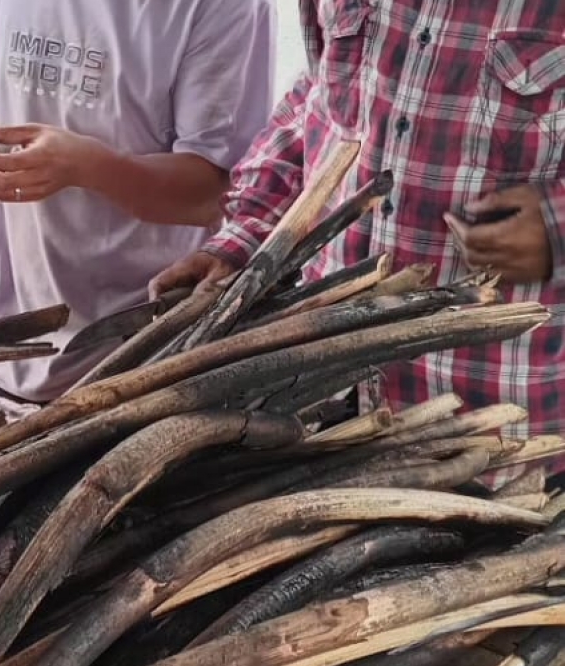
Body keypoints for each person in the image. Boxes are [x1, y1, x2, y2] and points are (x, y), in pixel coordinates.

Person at [150, 1, 565, 482]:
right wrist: (247, 238)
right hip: (322, 403)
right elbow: (317, 100)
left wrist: (555, 229)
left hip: (490, 432)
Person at [0, 0, 277, 403]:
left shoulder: (225, 8)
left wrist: (89, 167)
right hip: (13, 351)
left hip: (148, 359)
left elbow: (213, 191)